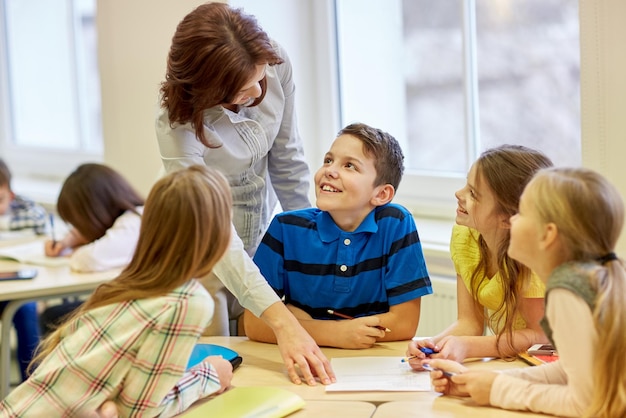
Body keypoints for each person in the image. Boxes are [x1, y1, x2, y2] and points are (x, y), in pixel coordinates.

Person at [156, 3, 333, 385]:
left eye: (259, 78)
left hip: (258, 236)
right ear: (206, 90)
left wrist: (312, 243)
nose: (256, 92)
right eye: (240, 88)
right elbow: (214, 232)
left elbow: (287, 161)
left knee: (270, 362)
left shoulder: (274, 59)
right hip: (201, 252)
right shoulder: (178, 125)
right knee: (220, 374)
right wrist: (283, 322)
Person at [0, 165, 235, 417]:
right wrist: (207, 377)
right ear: (218, 234)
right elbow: (140, 411)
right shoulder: (187, 301)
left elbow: (126, 400)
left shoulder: (127, 284)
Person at [425, 167, 626, 418]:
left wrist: (497, 391)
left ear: (547, 234)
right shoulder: (585, 278)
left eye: (522, 213)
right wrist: (482, 381)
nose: (512, 220)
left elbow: (584, 403)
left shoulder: (567, 292)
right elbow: (568, 371)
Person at [244, 123, 432, 348]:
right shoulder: (286, 227)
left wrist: (298, 322)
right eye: (328, 160)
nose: (330, 171)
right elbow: (254, 324)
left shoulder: (395, 223)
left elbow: (404, 324)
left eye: (350, 165)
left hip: (371, 363)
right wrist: (335, 333)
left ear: (381, 194)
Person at [407, 145, 553, 366]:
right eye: (466, 184)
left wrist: (466, 347)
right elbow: (469, 323)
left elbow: (540, 338)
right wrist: (432, 346)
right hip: (511, 362)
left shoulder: (534, 257)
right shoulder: (465, 236)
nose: (458, 194)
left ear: (506, 218)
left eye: (473, 193)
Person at [40, 163, 145, 335]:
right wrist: (69, 241)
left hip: (139, 312)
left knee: (54, 316)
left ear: (95, 211)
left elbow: (89, 259)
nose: (79, 228)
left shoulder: (132, 222)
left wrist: (75, 251)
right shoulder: (132, 217)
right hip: (136, 305)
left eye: (79, 222)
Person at [0, 158, 45, 382]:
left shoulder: (28, 210)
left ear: (11, 194)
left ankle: (33, 384)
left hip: (15, 289)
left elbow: (41, 229)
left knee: (26, 309)